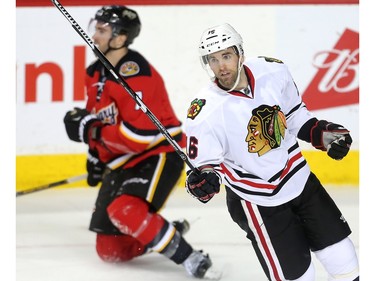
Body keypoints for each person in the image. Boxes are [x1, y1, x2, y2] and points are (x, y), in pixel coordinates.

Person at [185, 23, 359, 281]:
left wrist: (320, 133)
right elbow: (204, 167)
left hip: (300, 180)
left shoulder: (273, 70)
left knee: (345, 260)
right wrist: (202, 182)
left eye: (226, 55)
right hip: (259, 201)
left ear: (240, 53)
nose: (221, 66)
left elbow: (294, 114)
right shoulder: (204, 111)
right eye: (213, 59)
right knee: (299, 278)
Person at [63, 6, 221, 280]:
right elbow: (99, 118)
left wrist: (90, 131)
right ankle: (163, 230)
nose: (94, 36)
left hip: (157, 154)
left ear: (120, 38)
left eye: (102, 30)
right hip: (122, 161)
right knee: (109, 248)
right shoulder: (93, 73)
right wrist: (96, 157)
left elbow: (140, 136)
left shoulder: (136, 74)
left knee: (124, 209)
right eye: (95, 28)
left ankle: (191, 258)